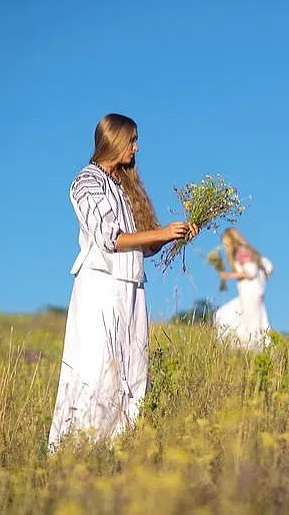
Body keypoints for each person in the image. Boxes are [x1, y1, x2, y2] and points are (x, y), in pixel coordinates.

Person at [48, 113, 199, 451]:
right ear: (114, 140)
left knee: (133, 372)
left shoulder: (122, 185)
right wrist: (158, 233)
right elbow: (109, 238)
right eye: (132, 139)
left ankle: (119, 452)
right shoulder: (86, 182)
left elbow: (140, 246)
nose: (136, 146)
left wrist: (170, 237)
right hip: (100, 287)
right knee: (98, 369)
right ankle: (77, 451)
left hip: (131, 288)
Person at [214, 228, 273, 350]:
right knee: (258, 324)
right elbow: (269, 266)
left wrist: (229, 275)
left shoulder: (240, 252)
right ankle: (256, 351)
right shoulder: (251, 251)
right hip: (257, 294)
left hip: (249, 294)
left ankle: (237, 349)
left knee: (225, 316)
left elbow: (250, 272)